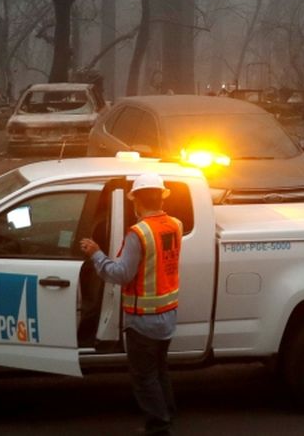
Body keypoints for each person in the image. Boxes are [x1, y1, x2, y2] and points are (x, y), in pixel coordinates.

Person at [79, 172, 183, 435]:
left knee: (144, 376)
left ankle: (159, 425)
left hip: (144, 319)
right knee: (159, 369)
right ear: (160, 196)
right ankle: (167, 412)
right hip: (167, 315)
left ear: (136, 200)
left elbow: (120, 274)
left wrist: (96, 254)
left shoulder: (139, 233)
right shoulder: (175, 225)